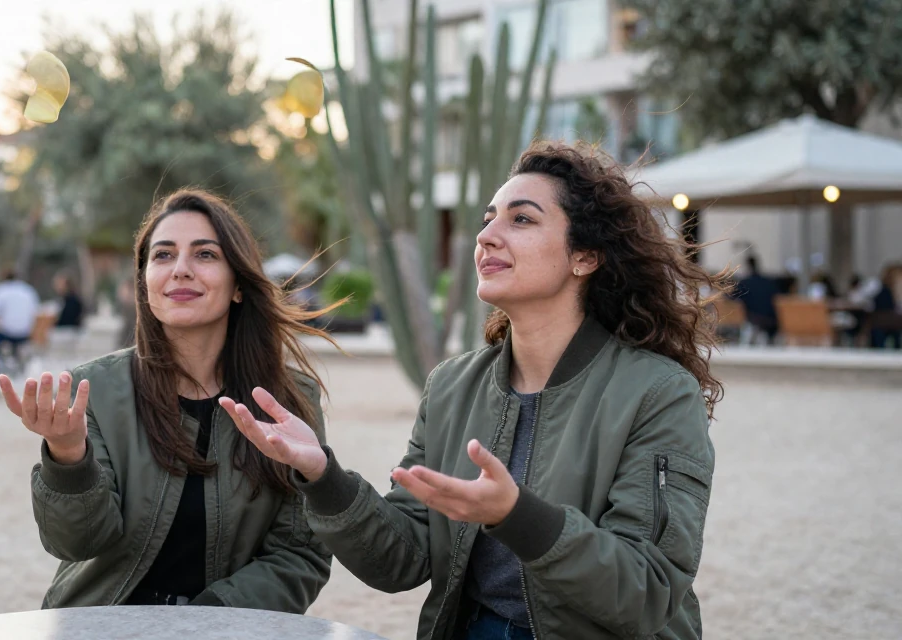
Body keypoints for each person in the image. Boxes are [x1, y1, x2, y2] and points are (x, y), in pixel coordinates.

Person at [223, 141, 724, 639]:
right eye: (489, 219)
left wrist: (516, 515)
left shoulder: (659, 393)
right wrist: (323, 475)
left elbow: (647, 592)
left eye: (521, 219)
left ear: (585, 257)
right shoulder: (451, 386)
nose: (487, 236)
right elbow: (403, 559)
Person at [0, 189, 338, 612]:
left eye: (205, 255)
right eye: (162, 255)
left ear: (238, 286)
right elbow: (78, 542)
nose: (180, 270)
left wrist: (202, 622)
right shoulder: (94, 390)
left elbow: (300, 555)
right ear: (144, 284)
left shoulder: (288, 399)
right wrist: (67, 455)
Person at [732, 254, 780, 344]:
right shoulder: (769, 282)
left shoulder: (744, 283)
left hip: (753, 319)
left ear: (747, 266)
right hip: (772, 320)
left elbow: (731, 297)